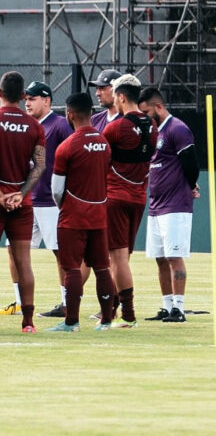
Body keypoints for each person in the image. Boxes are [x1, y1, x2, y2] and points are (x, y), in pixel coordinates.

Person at [0, 71, 46, 333]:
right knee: (24, 262)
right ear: (23, 96)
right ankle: (28, 323)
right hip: (21, 204)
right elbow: (39, 165)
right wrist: (21, 193)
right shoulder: (35, 126)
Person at [1, 81, 73, 318]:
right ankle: (21, 302)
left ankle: (66, 303)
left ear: (47, 100)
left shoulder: (60, 125)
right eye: (26, 99)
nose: (28, 103)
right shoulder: (26, 125)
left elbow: (71, 158)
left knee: (60, 251)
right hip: (27, 198)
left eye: (33, 98)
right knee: (13, 249)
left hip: (51, 200)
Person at [46, 92, 115, 332]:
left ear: (70, 114)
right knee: (102, 267)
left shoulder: (67, 146)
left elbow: (56, 189)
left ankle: (71, 322)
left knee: (72, 268)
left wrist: (65, 207)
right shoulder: (105, 143)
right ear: (92, 114)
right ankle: (106, 320)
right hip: (99, 215)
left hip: (73, 216)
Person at [139, 87, 199, 323]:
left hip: (175, 205)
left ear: (158, 107)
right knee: (160, 258)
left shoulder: (178, 129)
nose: (144, 117)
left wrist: (192, 185)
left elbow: (191, 163)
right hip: (155, 204)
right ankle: (166, 306)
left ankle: (179, 309)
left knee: (175, 256)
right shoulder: (153, 132)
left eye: (147, 112)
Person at [103, 74, 158, 328]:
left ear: (121, 97)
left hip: (115, 196)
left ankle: (127, 315)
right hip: (138, 197)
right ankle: (113, 310)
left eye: (115, 95)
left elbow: (100, 159)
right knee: (123, 256)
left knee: (117, 257)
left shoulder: (116, 127)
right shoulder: (153, 125)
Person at [89, 69, 122, 134]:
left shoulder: (128, 120)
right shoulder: (95, 119)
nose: (97, 93)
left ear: (116, 89)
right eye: (97, 88)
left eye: (102, 88)